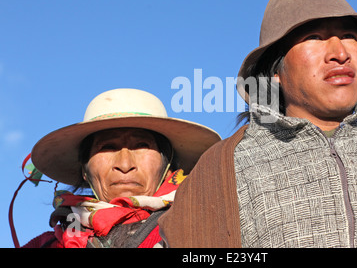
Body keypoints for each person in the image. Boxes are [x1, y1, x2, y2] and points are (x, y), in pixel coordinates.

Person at [159, 0, 357, 248]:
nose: (339, 52)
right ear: (276, 71)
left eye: (349, 35)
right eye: (313, 37)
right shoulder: (223, 169)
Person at [21, 88, 221, 248]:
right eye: (108, 148)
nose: (125, 165)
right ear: (84, 170)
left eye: (142, 146)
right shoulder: (47, 244)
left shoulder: (206, 228)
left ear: (167, 166)